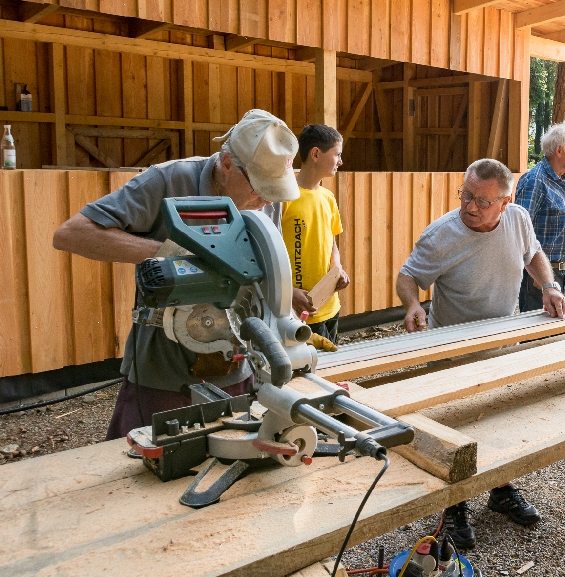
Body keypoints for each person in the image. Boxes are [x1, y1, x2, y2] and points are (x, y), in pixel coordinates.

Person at [52, 109, 300, 439]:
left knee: (234, 452)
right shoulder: (167, 181)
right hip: (164, 370)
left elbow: (266, 267)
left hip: (237, 363)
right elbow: (71, 234)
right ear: (227, 164)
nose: (266, 199)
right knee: (144, 457)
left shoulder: (266, 200)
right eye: (259, 187)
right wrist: (174, 255)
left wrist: (283, 301)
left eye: (274, 189)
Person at [395, 158, 565, 549]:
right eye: (466, 195)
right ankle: (453, 506)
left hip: (502, 344)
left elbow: (533, 254)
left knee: (501, 420)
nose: (470, 206)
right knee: (454, 431)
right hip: (452, 351)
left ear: (505, 203)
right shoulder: (442, 234)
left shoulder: (518, 220)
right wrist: (412, 304)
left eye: (482, 201)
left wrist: (549, 286)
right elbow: (408, 276)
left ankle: (501, 489)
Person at [282, 124, 350, 344]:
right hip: (297, 310)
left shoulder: (328, 197)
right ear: (315, 154)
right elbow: (265, 252)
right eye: (337, 154)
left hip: (330, 306)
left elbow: (331, 242)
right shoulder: (283, 198)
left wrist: (337, 269)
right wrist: (287, 292)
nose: (341, 161)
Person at [515, 123, 565, 311]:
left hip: (564, 274)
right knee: (542, 330)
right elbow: (520, 233)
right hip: (540, 278)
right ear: (559, 151)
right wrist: (539, 276)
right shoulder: (534, 181)